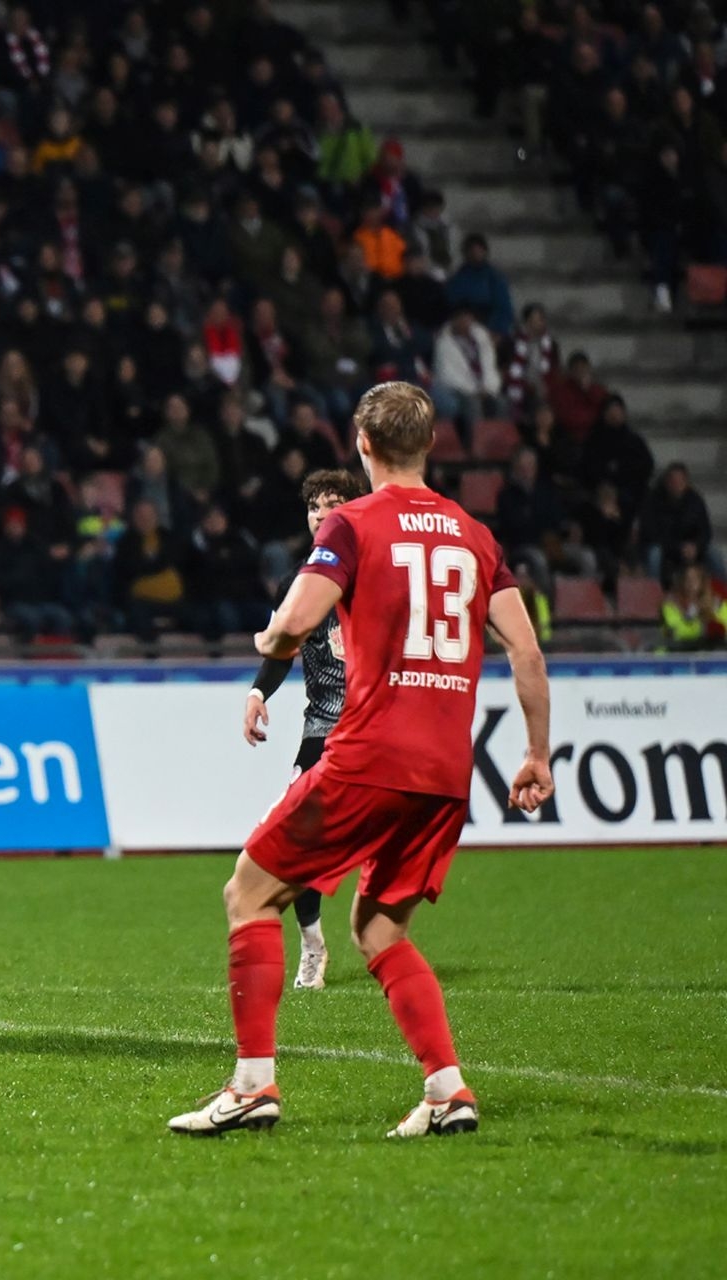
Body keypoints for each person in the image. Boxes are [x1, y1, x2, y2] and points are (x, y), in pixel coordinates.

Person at [171, 382, 553, 1139]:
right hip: (445, 774)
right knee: (379, 928)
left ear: (363, 445)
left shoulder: (352, 523)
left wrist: (269, 640)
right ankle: (447, 1090)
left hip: (370, 757)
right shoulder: (475, 536)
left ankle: (251, 1085)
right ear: (432, 444)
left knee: (249, 894)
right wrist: (537, 754)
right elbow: (529, 654)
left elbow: (296, 622)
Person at [240, 469, 364, 990]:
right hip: (325, 728)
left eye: (333, 504)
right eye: (315, 506)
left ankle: (385, 940)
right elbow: (281, 649)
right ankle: (312, 944)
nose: (321, 514)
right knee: (298, 838)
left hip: (378, 723)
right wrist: (257, 693)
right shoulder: (298, 583)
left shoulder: (377, 571)